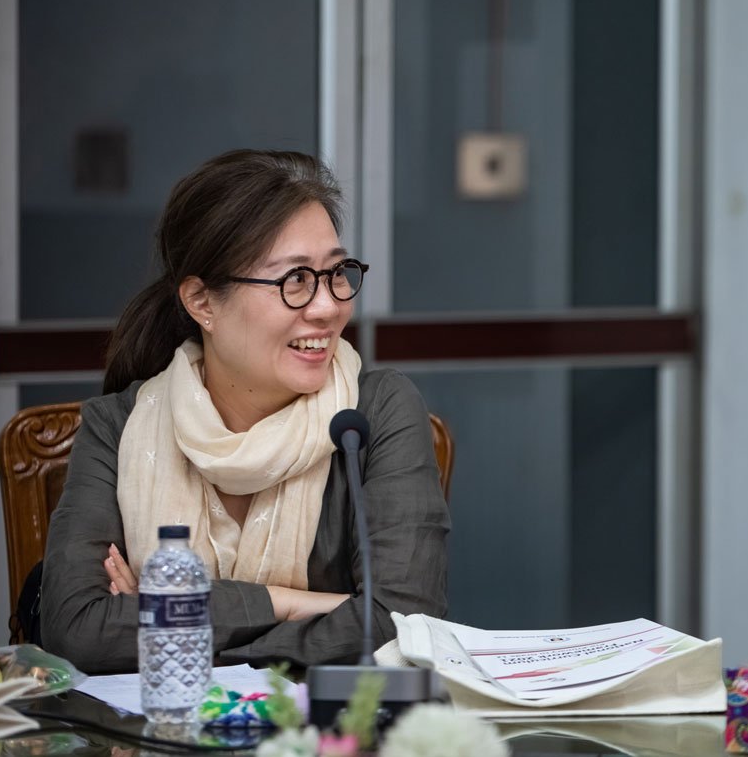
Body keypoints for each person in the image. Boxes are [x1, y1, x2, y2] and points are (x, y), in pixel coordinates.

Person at [41, 150, 450, 672]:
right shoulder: (115, 428)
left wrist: (165, 620)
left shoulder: (374, 413)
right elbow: (78, 631)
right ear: (202, 302)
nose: (328, 306)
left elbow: (403, 625)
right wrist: (290, 603)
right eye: (294, 280)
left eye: (336, 273)